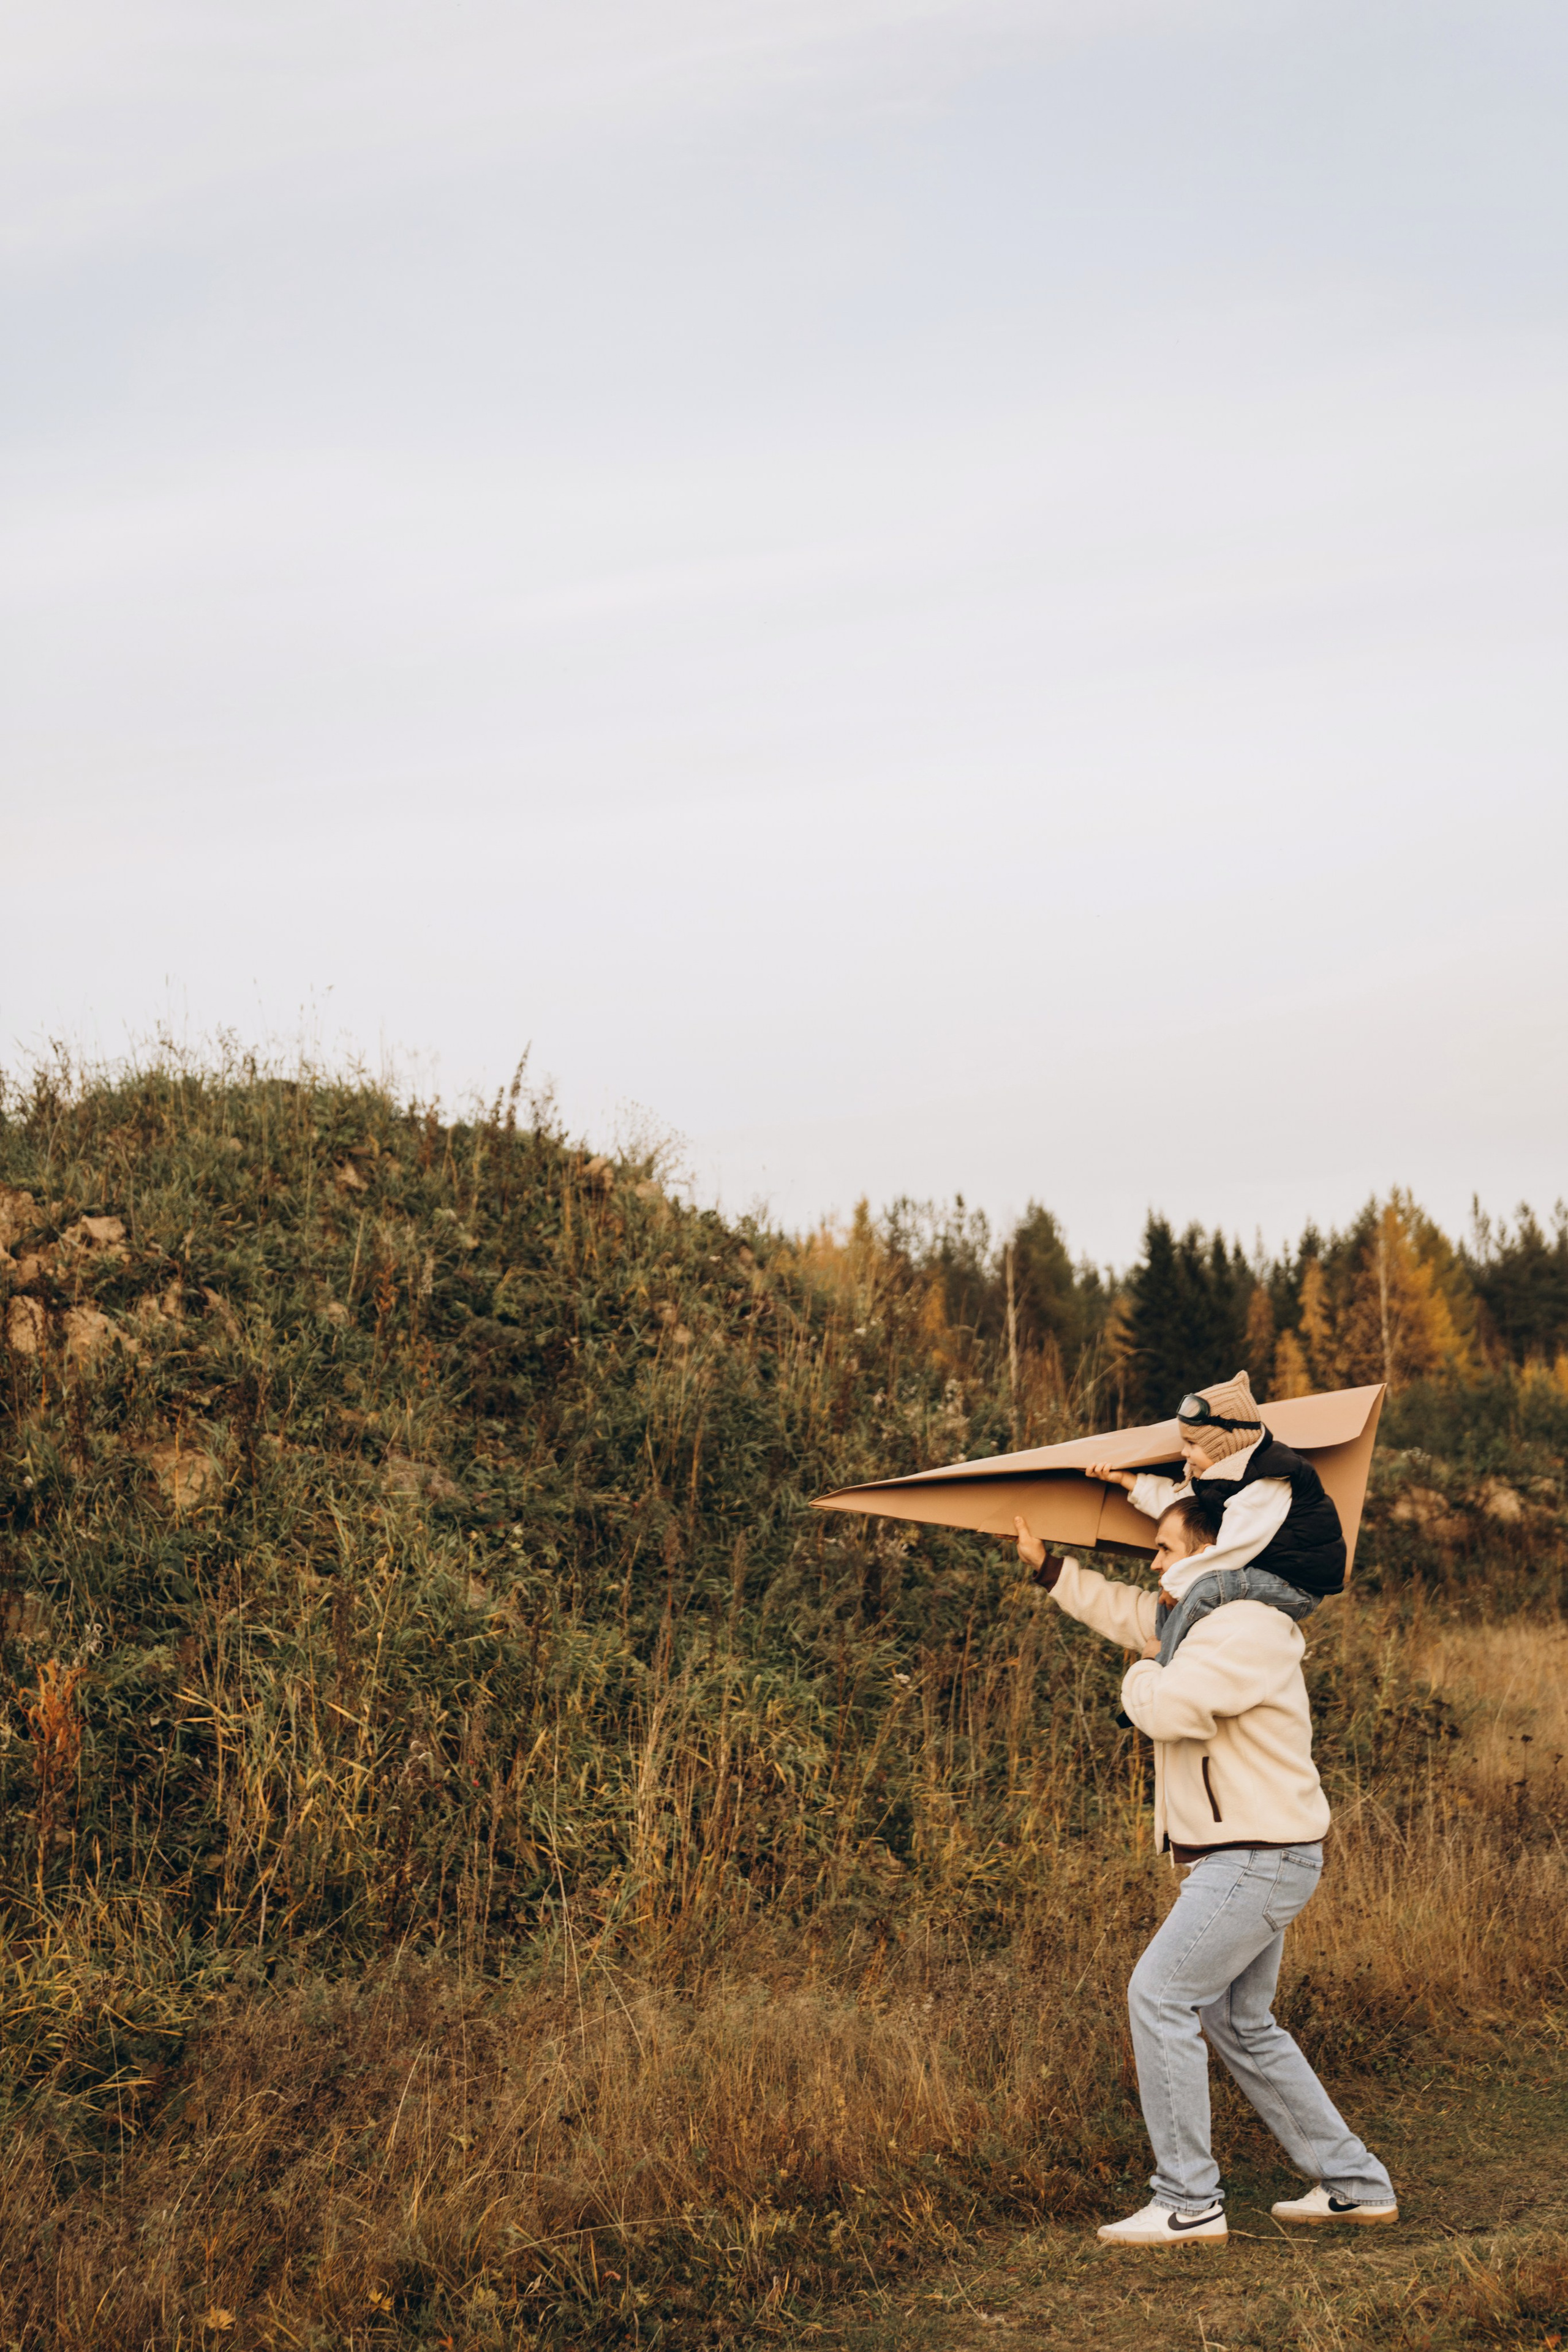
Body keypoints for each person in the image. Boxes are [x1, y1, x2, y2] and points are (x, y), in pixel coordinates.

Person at [1011, 1488, 1397, 2247]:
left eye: (1162, 1548)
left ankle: (1188, 2201)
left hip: (1258, 1858)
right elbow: (1133, 1618)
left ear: (1211, 1552)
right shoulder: (1204, 1622)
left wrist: (1137, 1681)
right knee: (1236, 2020)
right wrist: (1050, 1570)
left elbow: (1173, 1705)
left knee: (1158, 1995)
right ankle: (1355, 2185)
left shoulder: (1246, 1627)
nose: (1151, 1562)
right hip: (1252, 1855)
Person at [1087, 1370, 1344, 1667]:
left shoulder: (1265, 1483)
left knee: (1200, 1586)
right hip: (1264, 1571)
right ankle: (1164, 1643)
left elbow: (1232, 1553)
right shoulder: (1224, 1475)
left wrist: (1177, 1584)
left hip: (1296, 1586)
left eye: (1192, 1444)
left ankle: (1163, 1670)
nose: (1184, 1452)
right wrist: (1126, 1481)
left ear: (1223, 1445)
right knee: (1176, 1579)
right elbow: (1181, 1508)